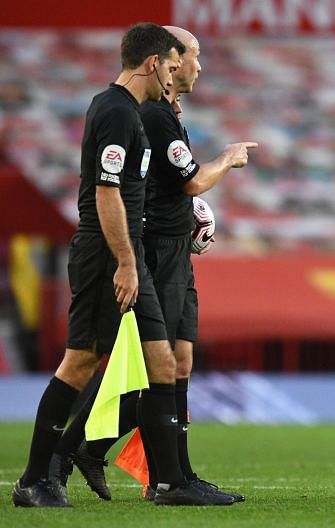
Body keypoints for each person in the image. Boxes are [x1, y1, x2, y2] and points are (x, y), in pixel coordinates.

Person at [12, 23, 233, 508]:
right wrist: (127, 263)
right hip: (107, 255)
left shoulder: (129, 112)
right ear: (153, 63)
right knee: (80, 362)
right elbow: (107, 192)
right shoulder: (114, 111)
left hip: (124, 253)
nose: (175, 76)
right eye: (172, 66)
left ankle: (172, 483)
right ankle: (36, 479)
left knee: (162, 362)